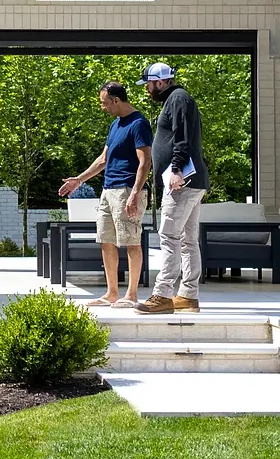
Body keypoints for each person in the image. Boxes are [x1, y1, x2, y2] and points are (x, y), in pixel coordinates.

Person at [58, 82, 152, 308]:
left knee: (131, 241)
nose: (103, 107)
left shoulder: (139, 124)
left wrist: (135, 193)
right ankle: (111, 293)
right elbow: (103, 160)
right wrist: (78, 180)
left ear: (116, 100)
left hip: (127, 190)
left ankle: (131, 295)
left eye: (104, 103)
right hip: (108, 190)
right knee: (106, 240)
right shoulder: (115, 125)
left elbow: (145, 161)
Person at [134, 63, 209, 314]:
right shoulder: (177, 99)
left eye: (148, 84)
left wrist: (176, 169)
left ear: (161, 82)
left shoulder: (178, 99)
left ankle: (163, 295)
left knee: (169, 237)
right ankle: (188, 295)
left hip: (182, 182)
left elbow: (182, 137)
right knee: (188, 240)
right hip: (189, 182)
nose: (147, 89)